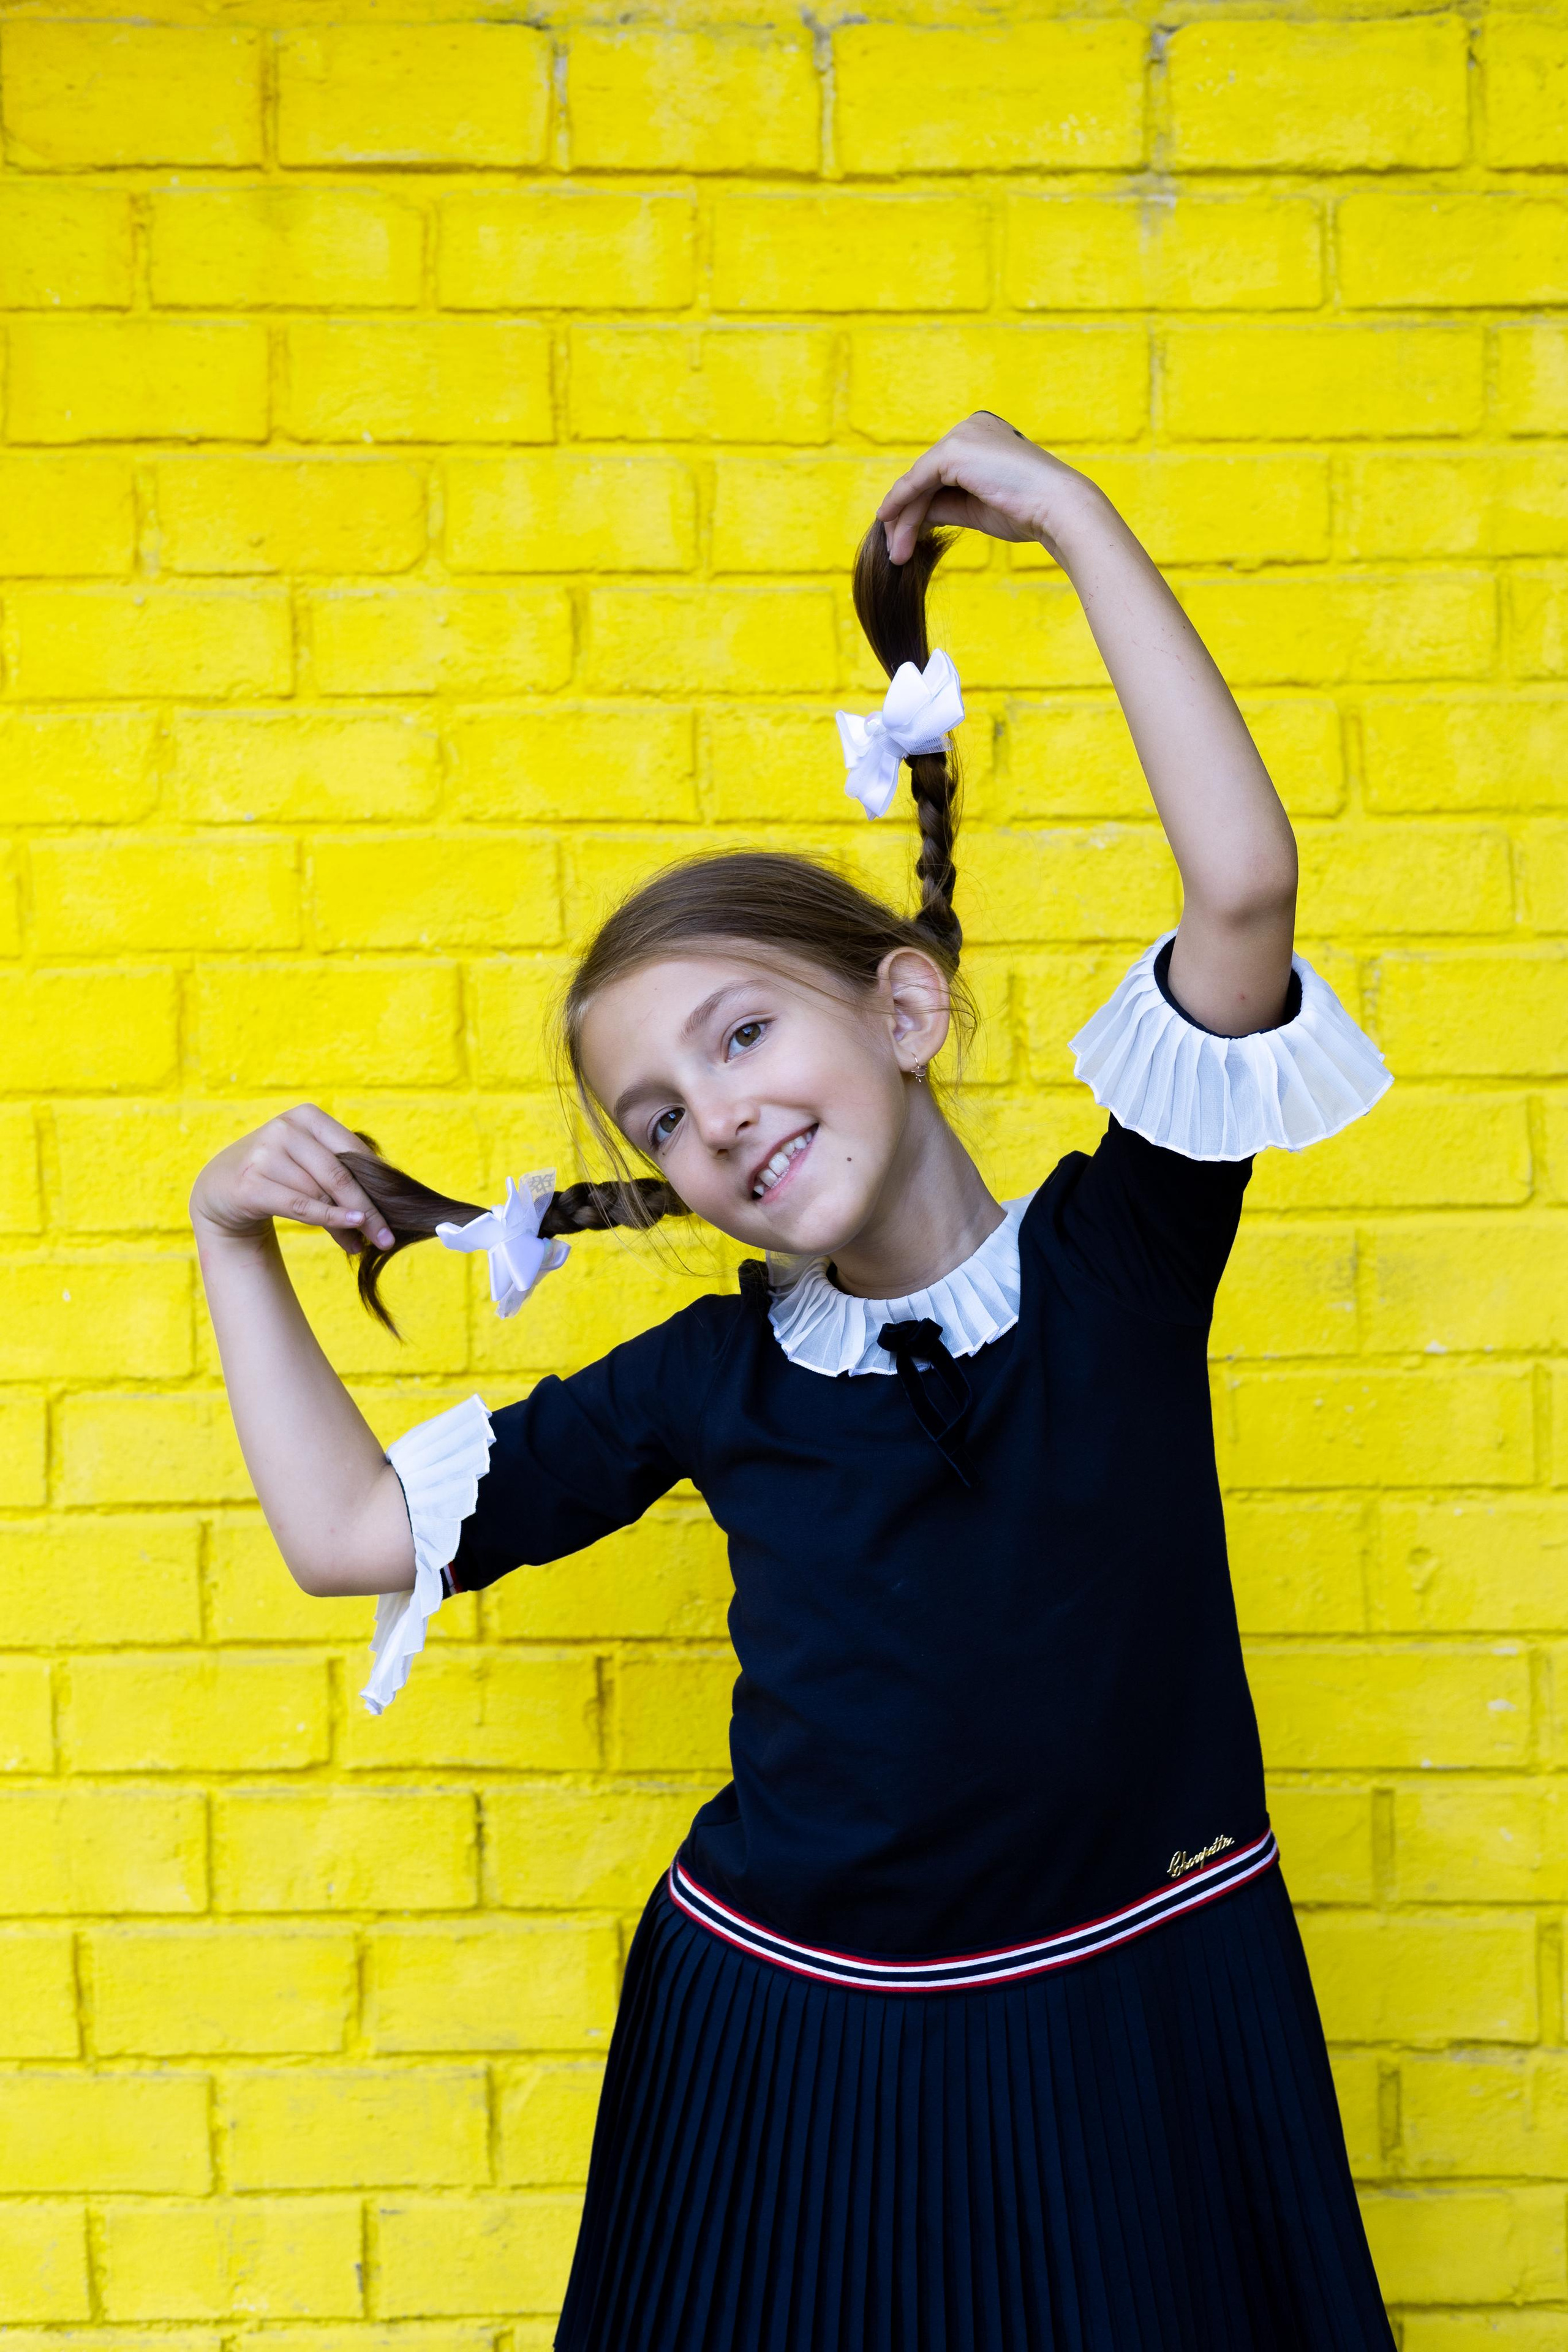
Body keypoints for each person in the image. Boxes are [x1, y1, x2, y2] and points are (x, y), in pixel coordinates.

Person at [191, 413, 1395, 2351]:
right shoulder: (709, 1378)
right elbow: (346, 1536)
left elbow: (1241, 891)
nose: (719, 1114)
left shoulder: (1121, 1257)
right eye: (661, 1111)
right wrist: (227, 1239)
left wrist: (1073, 524)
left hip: (1139, 2005)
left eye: (745, 1032)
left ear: (906, 1009)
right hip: (796, 2043)